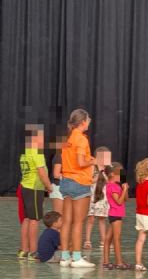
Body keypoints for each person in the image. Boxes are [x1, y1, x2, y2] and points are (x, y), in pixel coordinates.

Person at [59, 109, 96, 268]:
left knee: (67, 221)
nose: (89, 121)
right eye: (88, 119)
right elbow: (81, 163)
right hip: (79, 182)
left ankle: (65, 256)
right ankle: (76, 257)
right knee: (79, 222)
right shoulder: (81, 139)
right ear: (82, 122)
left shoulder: (68, 138)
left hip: (66, 181)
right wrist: (93, 161)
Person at [18, 124, 53, 261]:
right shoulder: (36, 152)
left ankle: (24, 250)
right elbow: (42, 173)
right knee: (34, 220)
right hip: (34, 188)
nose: (42, 139)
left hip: (26, 187)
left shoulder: (25, 152)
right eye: (41, 136)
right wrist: (49, 186)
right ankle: (33, 252)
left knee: (27, 219)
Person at [102, 163, 131, 270]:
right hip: (115, 215)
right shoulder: (111, 186)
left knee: (108, 238)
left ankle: (106, 261)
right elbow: (119, 201)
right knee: (117, 239)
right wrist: (123, 190)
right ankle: (119, 262)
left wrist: (125, 189)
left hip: (116, 214)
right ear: (113, 174)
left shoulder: (117, 185)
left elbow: (126, 199)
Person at [84, 146, 111, 249]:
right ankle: (87, 240)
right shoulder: (92, 167)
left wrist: (103, 172)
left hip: (103, 198)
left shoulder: (108, 168)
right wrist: (98, 173)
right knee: (90, 219)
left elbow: (109, 182)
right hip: (92, 196)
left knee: (102, 219)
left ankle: (103, 241)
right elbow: (89, 180)